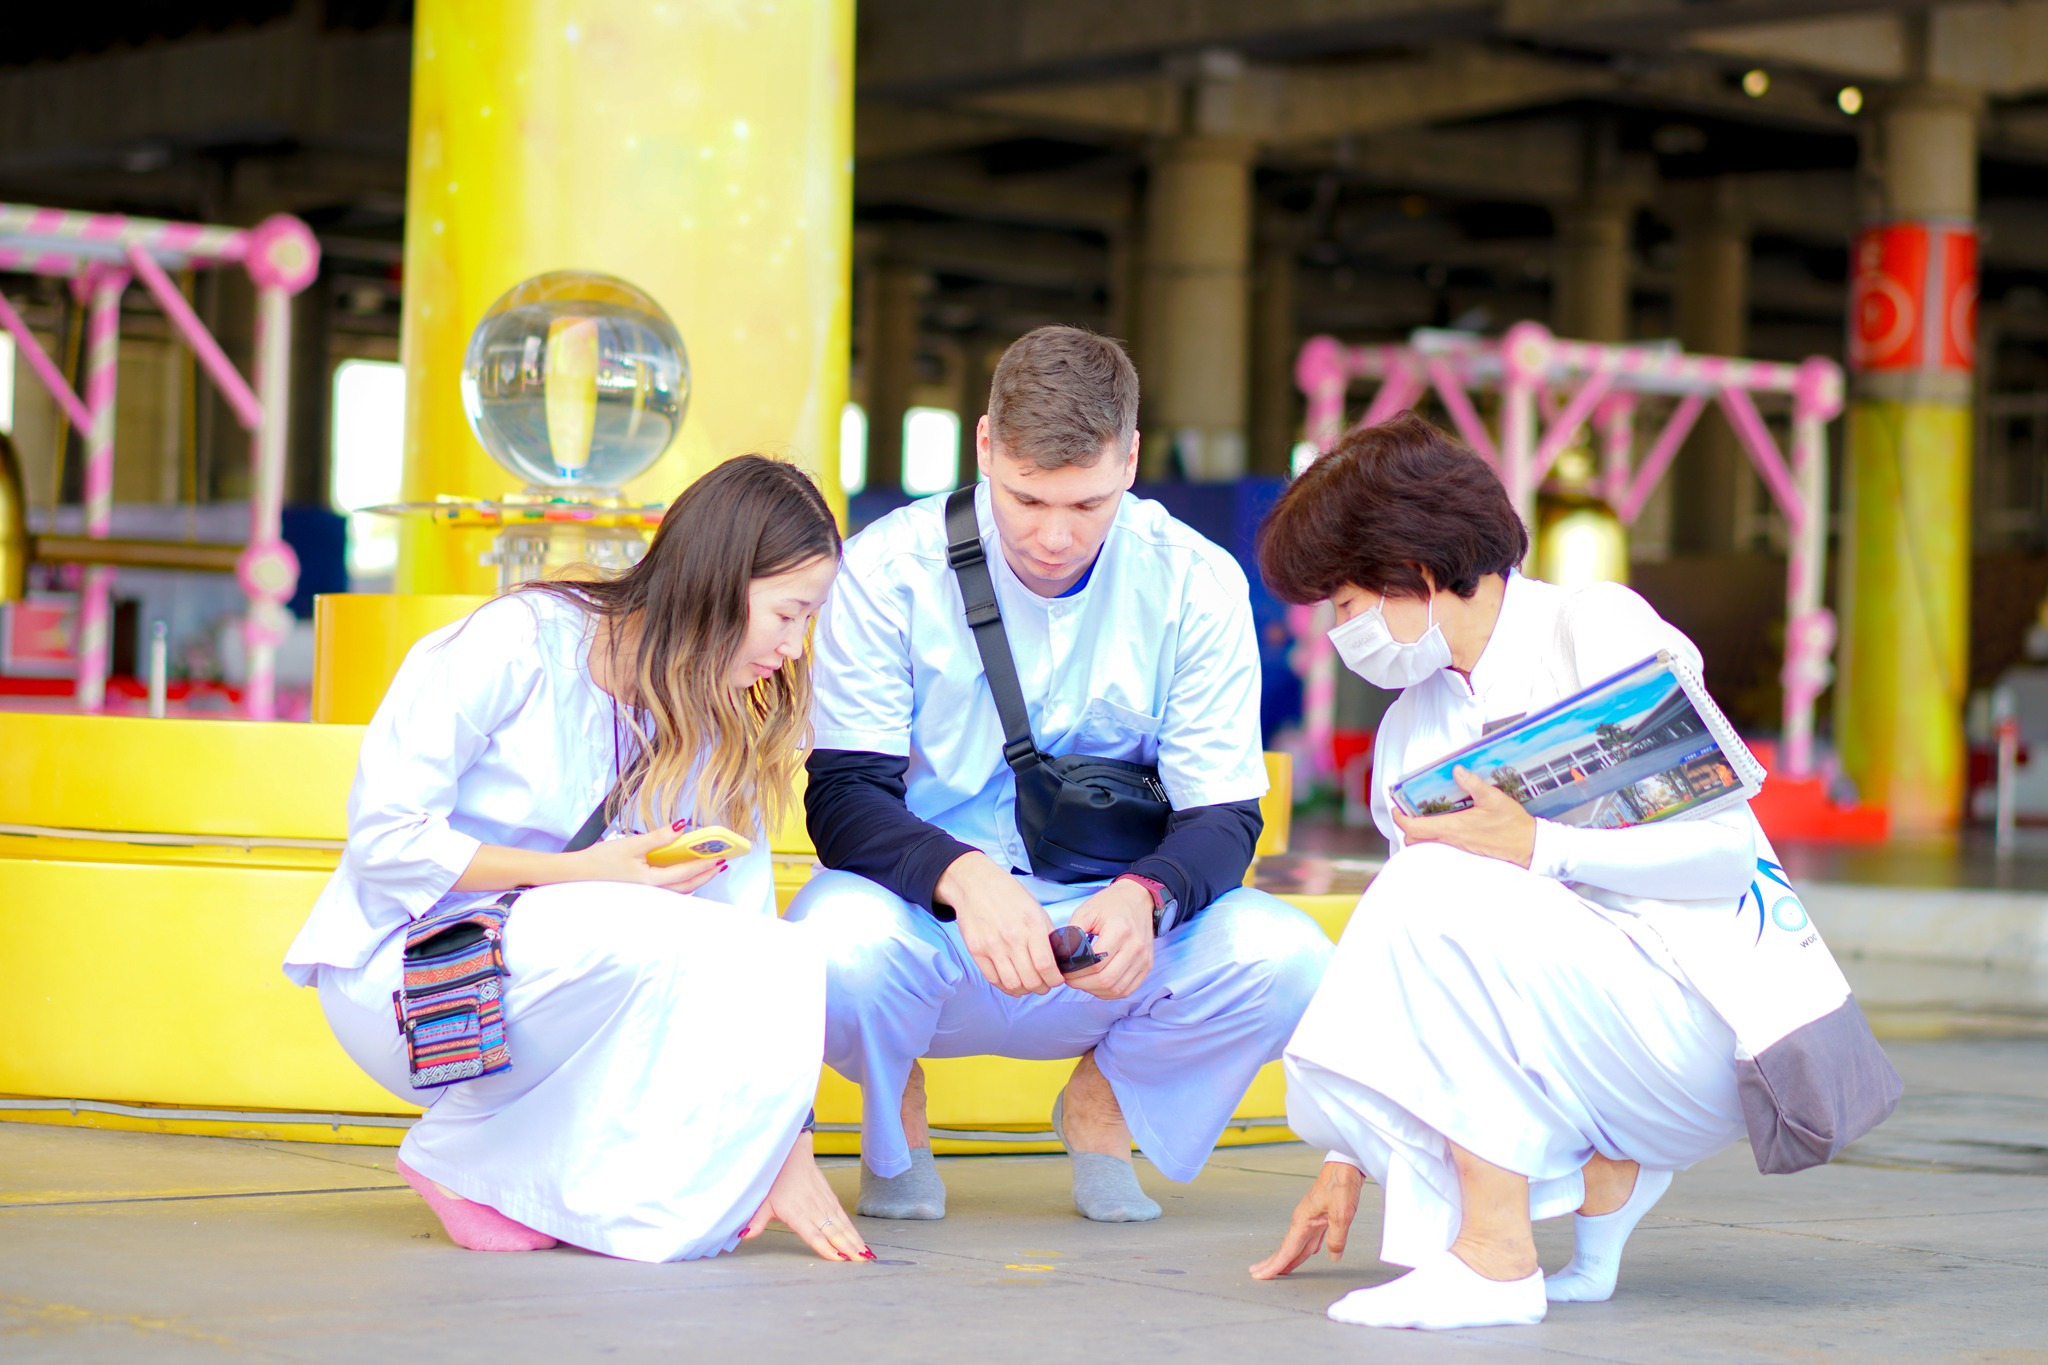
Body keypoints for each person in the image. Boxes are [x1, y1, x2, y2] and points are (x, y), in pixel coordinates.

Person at [1247, 412, 1837, 1329]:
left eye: (1347, 604)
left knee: (1429, 883)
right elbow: (1421, 980)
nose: (1341, 631)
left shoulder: (1592, 627)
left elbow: (1726, 855)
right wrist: (1349, 1157)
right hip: (1579, 1032)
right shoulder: (1412, 728)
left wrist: (1539, 846)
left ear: (1419, 573)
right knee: (1330, 1064)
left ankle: (1494, 1255)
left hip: (1698, 1025)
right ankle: (1604, 1178)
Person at [785, 326, 1332, 1224]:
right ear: (985, 447)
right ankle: (897, 1119)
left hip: (1107, 946)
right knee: (830, 946)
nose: (1052, 535)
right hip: (932, 933)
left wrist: (1148, 895)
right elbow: (843, 796)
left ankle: (1103, 1100)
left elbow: (1225, 816)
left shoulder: (1197, 581)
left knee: (1289, 958)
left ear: (1132, 460)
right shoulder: (885, 571)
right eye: (1027, 497)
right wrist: (961, 879)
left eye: (1087, 504)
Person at [283, 455, 872, 1265]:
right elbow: (384, 840)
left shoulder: (710, 724)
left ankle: (500, 1168)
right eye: (787, 613)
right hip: (405, 989)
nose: (794, 645)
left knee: (772, 949)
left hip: (539, 993)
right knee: (646, 924)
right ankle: (462, 1151)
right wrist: (597, 869)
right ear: (719, 579)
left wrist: (787, 1147)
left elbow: (752, 942)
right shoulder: (518, 642)